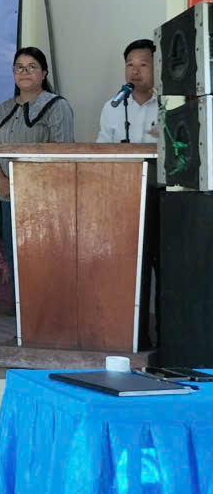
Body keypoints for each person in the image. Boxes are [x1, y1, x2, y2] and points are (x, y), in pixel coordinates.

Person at [0, 47, 74, 298]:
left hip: (43, 200)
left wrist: (31, 187)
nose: (24, 72)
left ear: (44, 73)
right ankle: (24, 317)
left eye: (32, 67)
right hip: (8, 197)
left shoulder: (56, 106)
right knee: (15, 259)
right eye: (19, 67)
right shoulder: (1, 109)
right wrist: (1, 182)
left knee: (43, 260)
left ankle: (48, 316)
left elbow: (63, 154)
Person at [96, 38, 161, 349]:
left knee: (163, 268)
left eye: (143, 65)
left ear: (156, 68)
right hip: (123, 197)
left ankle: (167, 337)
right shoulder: (113, 107)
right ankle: (131, 337)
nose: (135, 71)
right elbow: (101, 151)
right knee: (128, 268)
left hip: (161, 197)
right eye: (130, 65)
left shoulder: (169, 105)